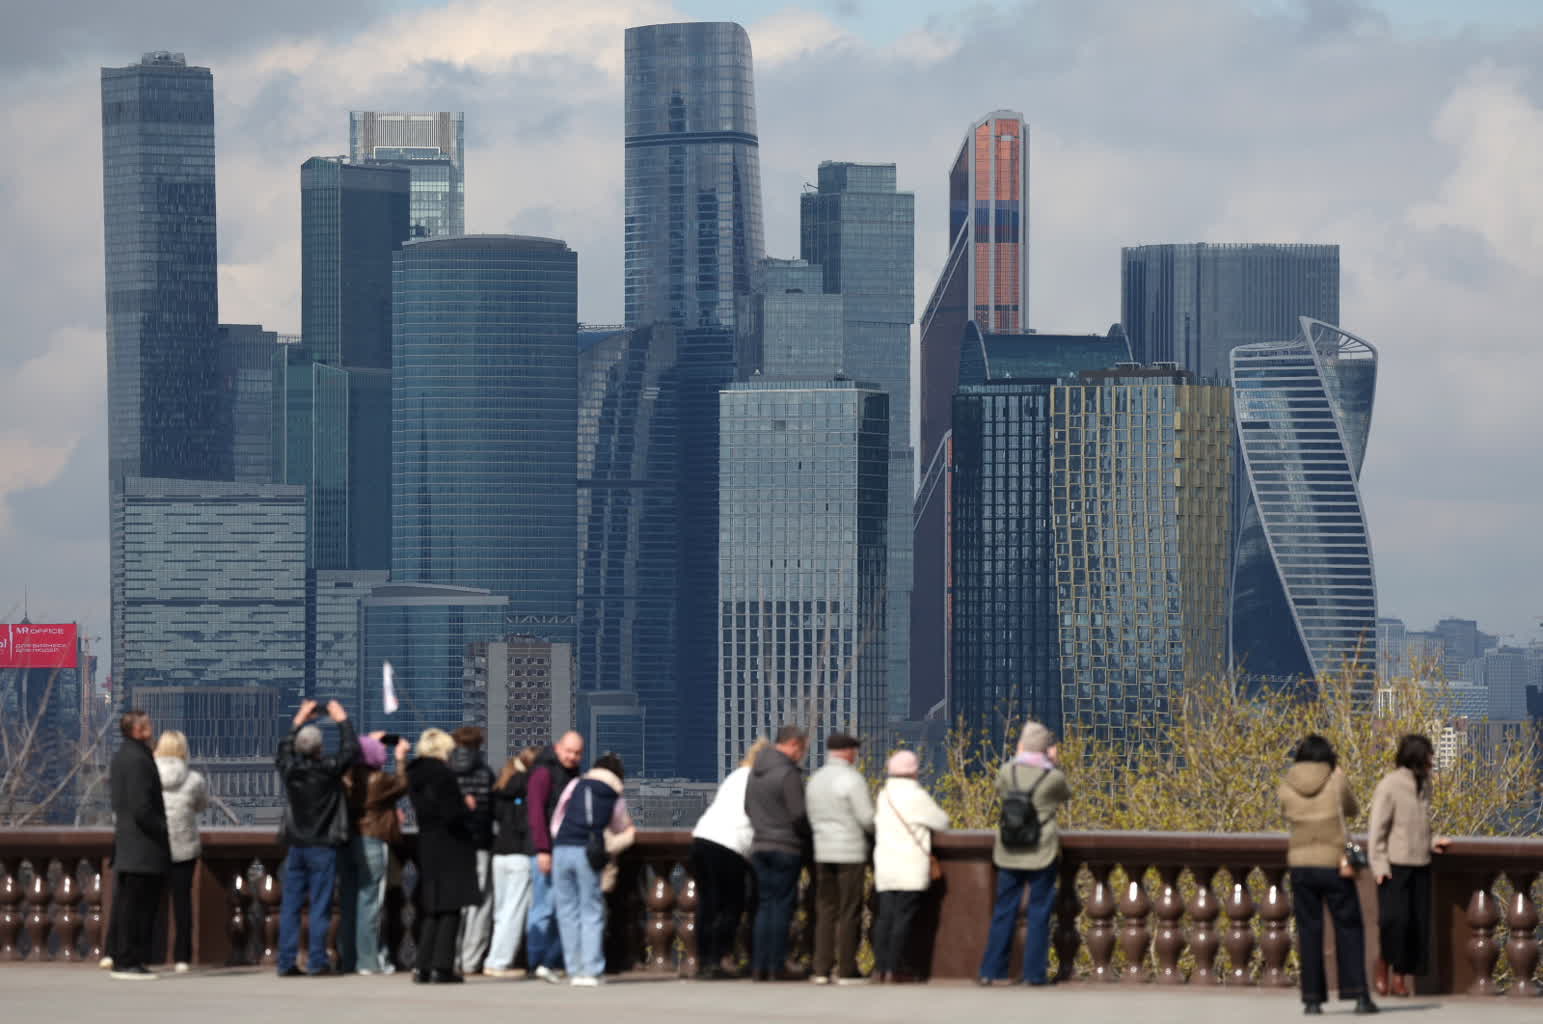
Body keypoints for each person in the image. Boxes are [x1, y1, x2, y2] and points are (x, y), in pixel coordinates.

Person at [1280, 733, 1377, 1016]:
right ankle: (1359, 995)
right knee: (1349, 927)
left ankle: (1312, 999)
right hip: (1334, 864)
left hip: (1300, 864)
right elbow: (1352, 809)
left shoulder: (1287, 784)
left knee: (1309, 931)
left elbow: (1284, 812)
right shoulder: (1336, 780)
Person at [978, 721, 1071, 987]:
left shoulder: (1009, 771)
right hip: (1041, 850)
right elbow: (1066, 794)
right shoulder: (1052, 777)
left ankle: (991, 970)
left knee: (1004, 911)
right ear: (1045, 749)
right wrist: (1053, 764)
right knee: (1039, 913)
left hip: (1009, 850)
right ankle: (1033, 974)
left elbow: (998, 788)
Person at [275, 698, 359, 977]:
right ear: (320, 747)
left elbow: (283, 751)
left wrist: (299, 718)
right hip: (323, 845)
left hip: (296, 844)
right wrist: (342, 719)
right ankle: (316, 961)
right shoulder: (328, 771)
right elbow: (350, 750)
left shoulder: (290, 771)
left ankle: (286, 961)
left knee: (290, 906)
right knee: (320, 905)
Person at [1370, 734, 1448, 998]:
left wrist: (1432, 841)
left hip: (1420, 863)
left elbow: (1421, 823)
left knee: (1416, 924)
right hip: (1395, 864)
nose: (1431, 761)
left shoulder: (1425, 785)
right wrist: (1379, 865)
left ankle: (1400, 977)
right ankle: (1383, 965)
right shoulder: (1390, 786)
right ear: (1417, 757)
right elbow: (1377, 829)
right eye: (1428, 756)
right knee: (1394, 922)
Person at [550, 751, 637, 987]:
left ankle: (574, 968)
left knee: (567, 911)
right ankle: (592, 970)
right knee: (591, 910)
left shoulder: (576, 783)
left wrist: (560, 839)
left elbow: (558, 816)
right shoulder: (613, 792)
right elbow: (621, 824)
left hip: (562, 849)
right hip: (588, 852)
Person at [407, 728, 481, 984]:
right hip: (451, 846)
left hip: (427, 843)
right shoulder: (443, 775)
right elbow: (451, 814)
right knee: (451, 907)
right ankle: (442, 966)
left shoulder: (415, 774)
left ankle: (422, 966)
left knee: (431, 908)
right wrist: (467, 807)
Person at [690, 739, 766, 980]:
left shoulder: (736, 776)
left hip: (702, 838)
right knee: (730, 905)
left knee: (706, 905)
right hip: (729, 846)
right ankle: (718, 958)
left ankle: (703, 960)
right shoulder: (757, 780)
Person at [872, 750, 948, 984]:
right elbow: (942, 821)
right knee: (903, 919)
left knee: (884, 917)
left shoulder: (883, 796)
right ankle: (895, 969)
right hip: (910, 867)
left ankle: (880, 968)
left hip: (885, 866)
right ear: (914, 771)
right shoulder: (917, 796)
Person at [804, 732, 874, 985]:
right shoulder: (852, 780)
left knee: (825, 910)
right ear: (847, 751)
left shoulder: (815, 780)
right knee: (849, 910)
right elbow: (866, 819)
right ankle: (846, 969)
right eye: (855, 751)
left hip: (822, 851)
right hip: (850, 852)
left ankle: (821, 968)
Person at [107, 710, 171, 981]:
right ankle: (129, 960)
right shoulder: (137, 759)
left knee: (127, 906)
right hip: (141, 847)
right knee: (137, 907)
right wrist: (163, 829)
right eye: (147, 724)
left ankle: (123, 957)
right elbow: (141, 807)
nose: (152, 727)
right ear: (136, 730)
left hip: (129, 843)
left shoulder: (123, 756)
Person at [745, 724, 811, 982]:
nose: (801, 755)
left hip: (760, 846)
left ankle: (759, 964)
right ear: (793, 744)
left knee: (764, 906)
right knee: (782, 906)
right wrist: (807, 834)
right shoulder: (788, 774)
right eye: (802, 749)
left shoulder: (754, 773)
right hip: (786, 847)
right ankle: (776, 964)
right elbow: (798, 815)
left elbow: (747, 808)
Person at [341, 731, 410, 975]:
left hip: (349, 841)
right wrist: (400, 757)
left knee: (350, 902)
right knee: (371, 903)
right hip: (373, 839)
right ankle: (368, 961)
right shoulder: (378, 780)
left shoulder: (348, 777)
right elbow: (403, 784)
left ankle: (349, 958)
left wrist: (367, 743)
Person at [526, 730, 585, 983]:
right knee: (544, 907)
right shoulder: (543, 773)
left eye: (577, 753)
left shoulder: (570, 774)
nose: (572, 757)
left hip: (561, 849)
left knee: (560, 907)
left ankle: (548, 961)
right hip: (546, 850)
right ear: (558, 748)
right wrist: (542, 849)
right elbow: (536, 812)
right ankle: (537, 961)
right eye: (569, 751)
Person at [154, 729, 208, 974]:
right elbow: (200, 806)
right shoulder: (194, 779)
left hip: (153, 846)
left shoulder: (148, 775)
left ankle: (150, 951)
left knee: (151, 902)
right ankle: (182, 957)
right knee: (182, 903)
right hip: (184, 847)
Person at [485, 746, 541, 978]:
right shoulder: (529, 785)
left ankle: (493, 959)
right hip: (519, 854)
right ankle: (499, 962)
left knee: (500, 911)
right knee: (514, 911)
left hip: (499, 853)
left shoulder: (503, 783)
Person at [450, 725, 496, 975]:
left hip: (453, 845)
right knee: (479, 903)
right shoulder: (485, 773)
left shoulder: (446, 771)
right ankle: (470, 959)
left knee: (453, 902)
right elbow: (490, 810)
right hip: (479, 844)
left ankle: (451, 956)